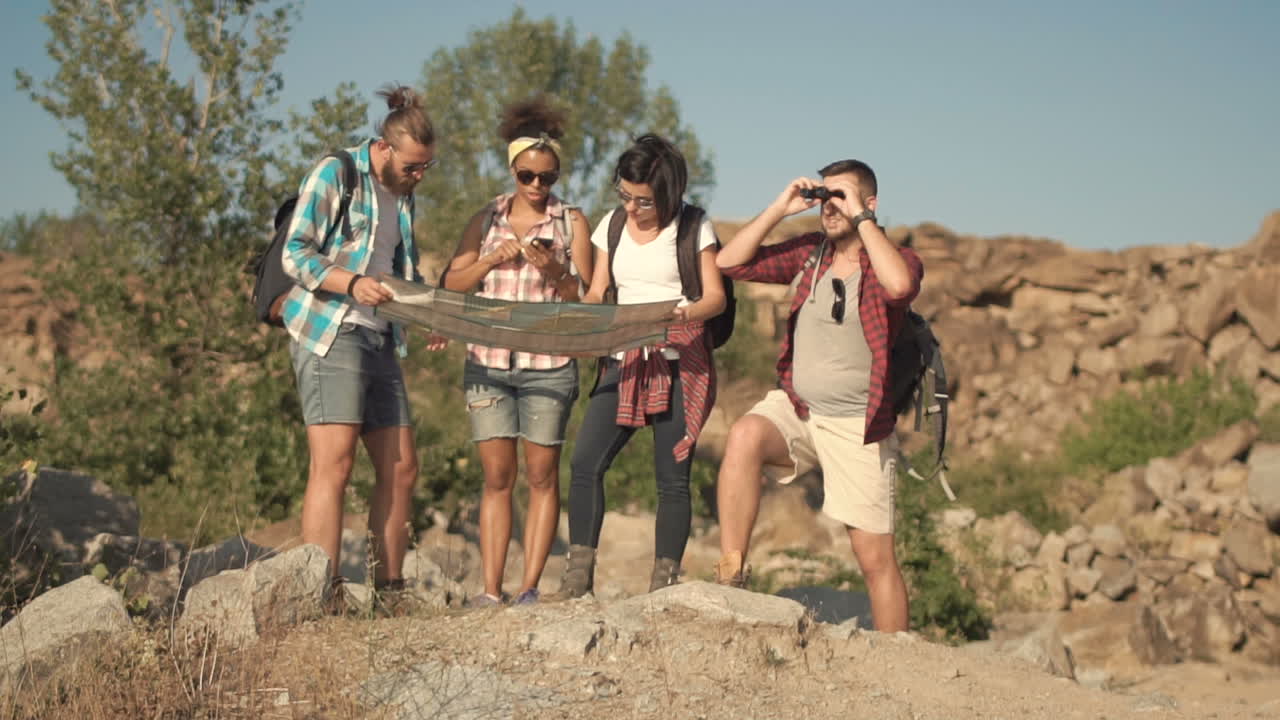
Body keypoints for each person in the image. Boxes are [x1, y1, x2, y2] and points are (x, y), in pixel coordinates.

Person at [713, 159, 923, 632]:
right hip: (799, 407)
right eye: (824, 196)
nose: (829, 206)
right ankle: (731, 578)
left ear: (869, 203)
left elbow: (900, 287)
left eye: (840, 196)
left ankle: (898, 657)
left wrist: (861, 219)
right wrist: (781, 207)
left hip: (857, 426)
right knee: (745, 435)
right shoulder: (811, 253)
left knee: (876, 561)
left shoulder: (894, 258)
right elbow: (730, 263)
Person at [281, 84, 446, 607]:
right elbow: (294, 253)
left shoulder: (403, 194)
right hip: (331, 330)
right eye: (413, 166)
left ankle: (389, 592)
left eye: (427, 166)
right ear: (384, 147)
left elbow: (398, 270)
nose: (419, 176)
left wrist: (428, 314)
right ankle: (320, 594)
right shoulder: (337, 172)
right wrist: (351, 284)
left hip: (380, 336)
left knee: (401, 467)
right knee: (334, 464)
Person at [556, 134, 726, 599]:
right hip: (622, 362)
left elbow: (715, 297)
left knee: (672, 480)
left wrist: (682, 315)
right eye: (624, 195)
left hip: (678, 364)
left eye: (643, 201)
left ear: (668, 193)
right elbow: (598, 292)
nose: (631, 208)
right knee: (585, 463)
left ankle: (662, 587)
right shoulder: (611, 226)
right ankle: (577, 579)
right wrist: (573, 319)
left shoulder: (694, 227)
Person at [442, 97, 593, 606]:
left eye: (547, 177)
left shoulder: (571, 223)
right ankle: (490, 591)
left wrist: (556, 271)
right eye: (527, 175)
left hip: (549, 367)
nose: (536, 185)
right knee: (497, 478)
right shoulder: (485, 219)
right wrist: (488, 261)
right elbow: (452, 285)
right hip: (487, 365)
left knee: (542, 477)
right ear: (512, 171)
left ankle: (528, 589)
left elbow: (588, 301)